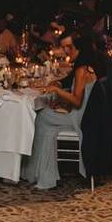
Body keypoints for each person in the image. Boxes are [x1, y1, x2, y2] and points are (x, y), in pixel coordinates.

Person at [22, 29, 97, 189]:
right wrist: (63, 103)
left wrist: (57, 91)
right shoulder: (88, 66)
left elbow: (77, 101)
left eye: (70, 48)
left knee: (40, 116)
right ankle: (44, 173)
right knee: (47, 123)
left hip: (78, 118)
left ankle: (36, 171)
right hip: (83, 114)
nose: (66, 51)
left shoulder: (80, 70)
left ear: (79, 48)